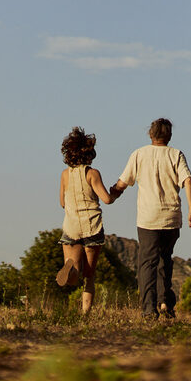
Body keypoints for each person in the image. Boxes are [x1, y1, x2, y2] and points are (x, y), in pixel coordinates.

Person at [108, 117, 191, 318]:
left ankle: (149, 309)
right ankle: (165, 303)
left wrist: (110, 195)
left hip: (148, 218)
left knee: (147, 262)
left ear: (151, 134)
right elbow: (188, 180)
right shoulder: (176, 154)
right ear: (170, 136)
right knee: (165, 259)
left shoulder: (139, 154)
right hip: (171, 216)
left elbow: (122, 183)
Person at [56, 126, 117, 317]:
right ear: (89, 152)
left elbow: (62, 203)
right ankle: (85, 315)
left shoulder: (65, 174)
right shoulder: (92, 173)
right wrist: (114, 192)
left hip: (71, 226)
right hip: (92, 227)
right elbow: (106, 199)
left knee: (73, 273)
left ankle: (71, 268)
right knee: (89, 276)